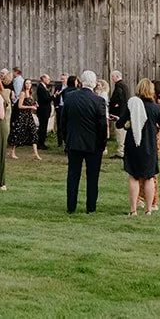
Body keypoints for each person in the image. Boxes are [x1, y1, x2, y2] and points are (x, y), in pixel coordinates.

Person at [117, 79, 160, 215]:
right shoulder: (155, 108)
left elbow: (119, 123)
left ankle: (133, 209)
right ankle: (148, 209)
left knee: (133, 176)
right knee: (149, 176)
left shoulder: (132, 105)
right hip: (149, 145)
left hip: (133, 144)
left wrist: (124, 123)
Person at [60, 69, 107, 213]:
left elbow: (63, 121)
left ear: (81, 81)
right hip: (93, 144)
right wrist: (102, 143)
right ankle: (90, 207)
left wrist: (66, 138)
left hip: (74, 142)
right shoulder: (98, 101)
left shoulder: (70, 97)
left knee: (73, 175)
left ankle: (71, 206)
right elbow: (102, 125)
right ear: (94, 83)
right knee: (92, 177)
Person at [10, 79, 40, 160]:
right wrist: (30, 107)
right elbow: (20, 106)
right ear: (24, 84)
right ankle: (12, 152)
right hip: (22, 116)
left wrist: (35, 104)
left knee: (34, 132)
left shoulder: (30, 93)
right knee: (18, 133)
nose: (28, 84)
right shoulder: (23, 93)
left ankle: (35, 153)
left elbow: (31, 103)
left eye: (29, 83)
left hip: (29, 116)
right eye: (26, 83)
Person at [107, 71, 129, 156]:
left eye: (113, 77)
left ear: (117, 76)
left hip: (119, 112)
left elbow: (118, 97)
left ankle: (121, 151)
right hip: (124, 111)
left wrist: (113, 104)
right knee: (123, 131)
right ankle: (123, 149)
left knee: (120, 131)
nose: (112, 79)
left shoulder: (119, 86)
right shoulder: (124, 85)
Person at [33, 74, 54, 148]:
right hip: (43, 110)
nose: (49, 80)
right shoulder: (41, 88)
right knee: (42, 127)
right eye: (48, 79)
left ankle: (42, 142)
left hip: (45, 110)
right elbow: (45, 99)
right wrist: (53, 96)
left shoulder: (44, 87)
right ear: (43, 79)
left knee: (44, 127)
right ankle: (40, 143)